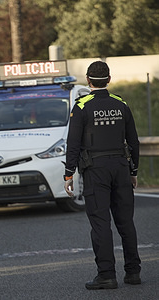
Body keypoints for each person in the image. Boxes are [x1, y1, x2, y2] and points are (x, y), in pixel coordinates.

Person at [64, 61, 141, 290]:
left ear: (88, 80)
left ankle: (106, 275)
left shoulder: (81, 106)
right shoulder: (121, 104)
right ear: (109, 79)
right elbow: (134, 141)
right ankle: (133, 272)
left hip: (95, 170)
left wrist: (69, 174)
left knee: (100, 223)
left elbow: (73, 144)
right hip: (121, 167)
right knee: (126, 222)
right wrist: (133, 171)